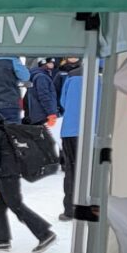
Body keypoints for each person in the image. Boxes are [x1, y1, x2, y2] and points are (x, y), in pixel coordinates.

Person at [0, 94, 54, 252]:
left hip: (6, 175)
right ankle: (0, 240)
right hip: (7, 172)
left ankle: (44, 234)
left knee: (16, 206)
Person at [56, 58, 85, 218]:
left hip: (70, 129)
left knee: (72, 169)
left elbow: (63, 102)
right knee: (92, 169)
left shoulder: (71, 76)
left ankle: (70, 209)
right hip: (94, 130)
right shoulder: (102, 77)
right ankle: (90, 205)